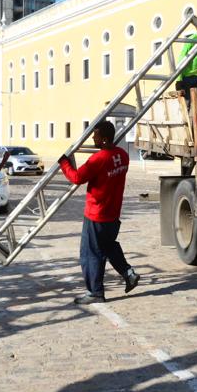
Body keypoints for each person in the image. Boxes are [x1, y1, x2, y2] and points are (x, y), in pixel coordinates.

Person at [57, 119, 140, 305]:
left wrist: (64, 163)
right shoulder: (122, 155)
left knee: (90, 254)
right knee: (109, 246)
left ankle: (95, 292)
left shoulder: (98, 159)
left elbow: (77, 177)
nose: (93, 138)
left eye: (95, 136)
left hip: (97, 214)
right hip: (113, 213)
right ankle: (128, 273)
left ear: (103, 139)